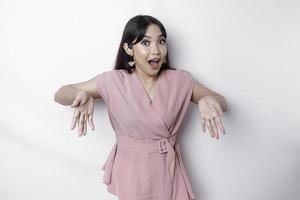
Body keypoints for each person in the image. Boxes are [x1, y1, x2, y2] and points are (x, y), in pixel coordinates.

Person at [54, 15, 227, 200]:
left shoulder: (180, 80)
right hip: (131, 173)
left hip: (167, 171)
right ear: (128, 49)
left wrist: (206, 100)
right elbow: (60, 94)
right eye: (145, 43)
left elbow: (220, 100)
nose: (156, 50)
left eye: (161, 41)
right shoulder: (114, 81)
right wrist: (82, 94)